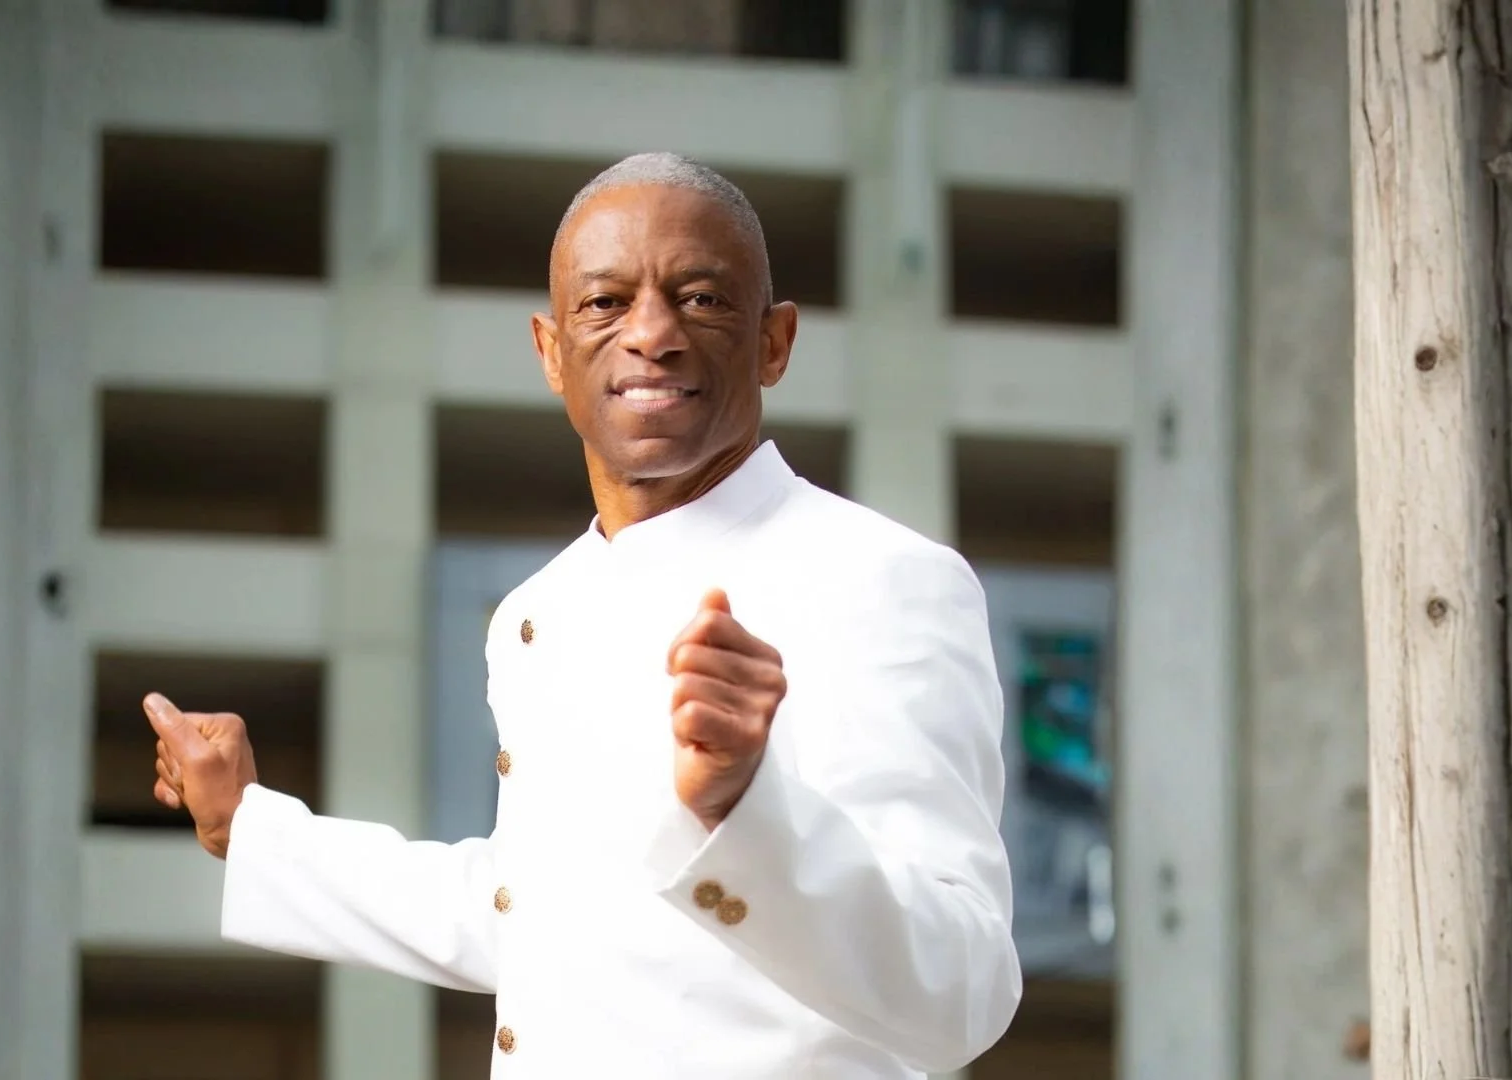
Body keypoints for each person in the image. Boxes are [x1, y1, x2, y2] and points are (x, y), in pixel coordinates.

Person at [144, 151, 1021, 1078]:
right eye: (605, 302)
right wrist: (251, 831)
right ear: (551, 352)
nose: (652, 333)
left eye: (702, 299)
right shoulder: (539, 609)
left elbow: (963, 990)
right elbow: (539, 914)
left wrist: (744, 808)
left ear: (774, 342)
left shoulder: (880, 577)